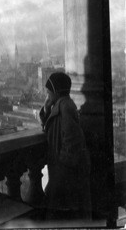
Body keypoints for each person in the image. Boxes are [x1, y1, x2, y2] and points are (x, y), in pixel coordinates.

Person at [39, 72, 92, 221]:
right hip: (61, 170)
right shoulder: (61, 105)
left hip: (65, 172)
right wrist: (46, 109)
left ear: (56, 91)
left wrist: (63, 165)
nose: (47, 94)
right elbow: (49, 126)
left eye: (49, 91)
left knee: (63, 212)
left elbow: (72, 140)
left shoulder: (66, 107)